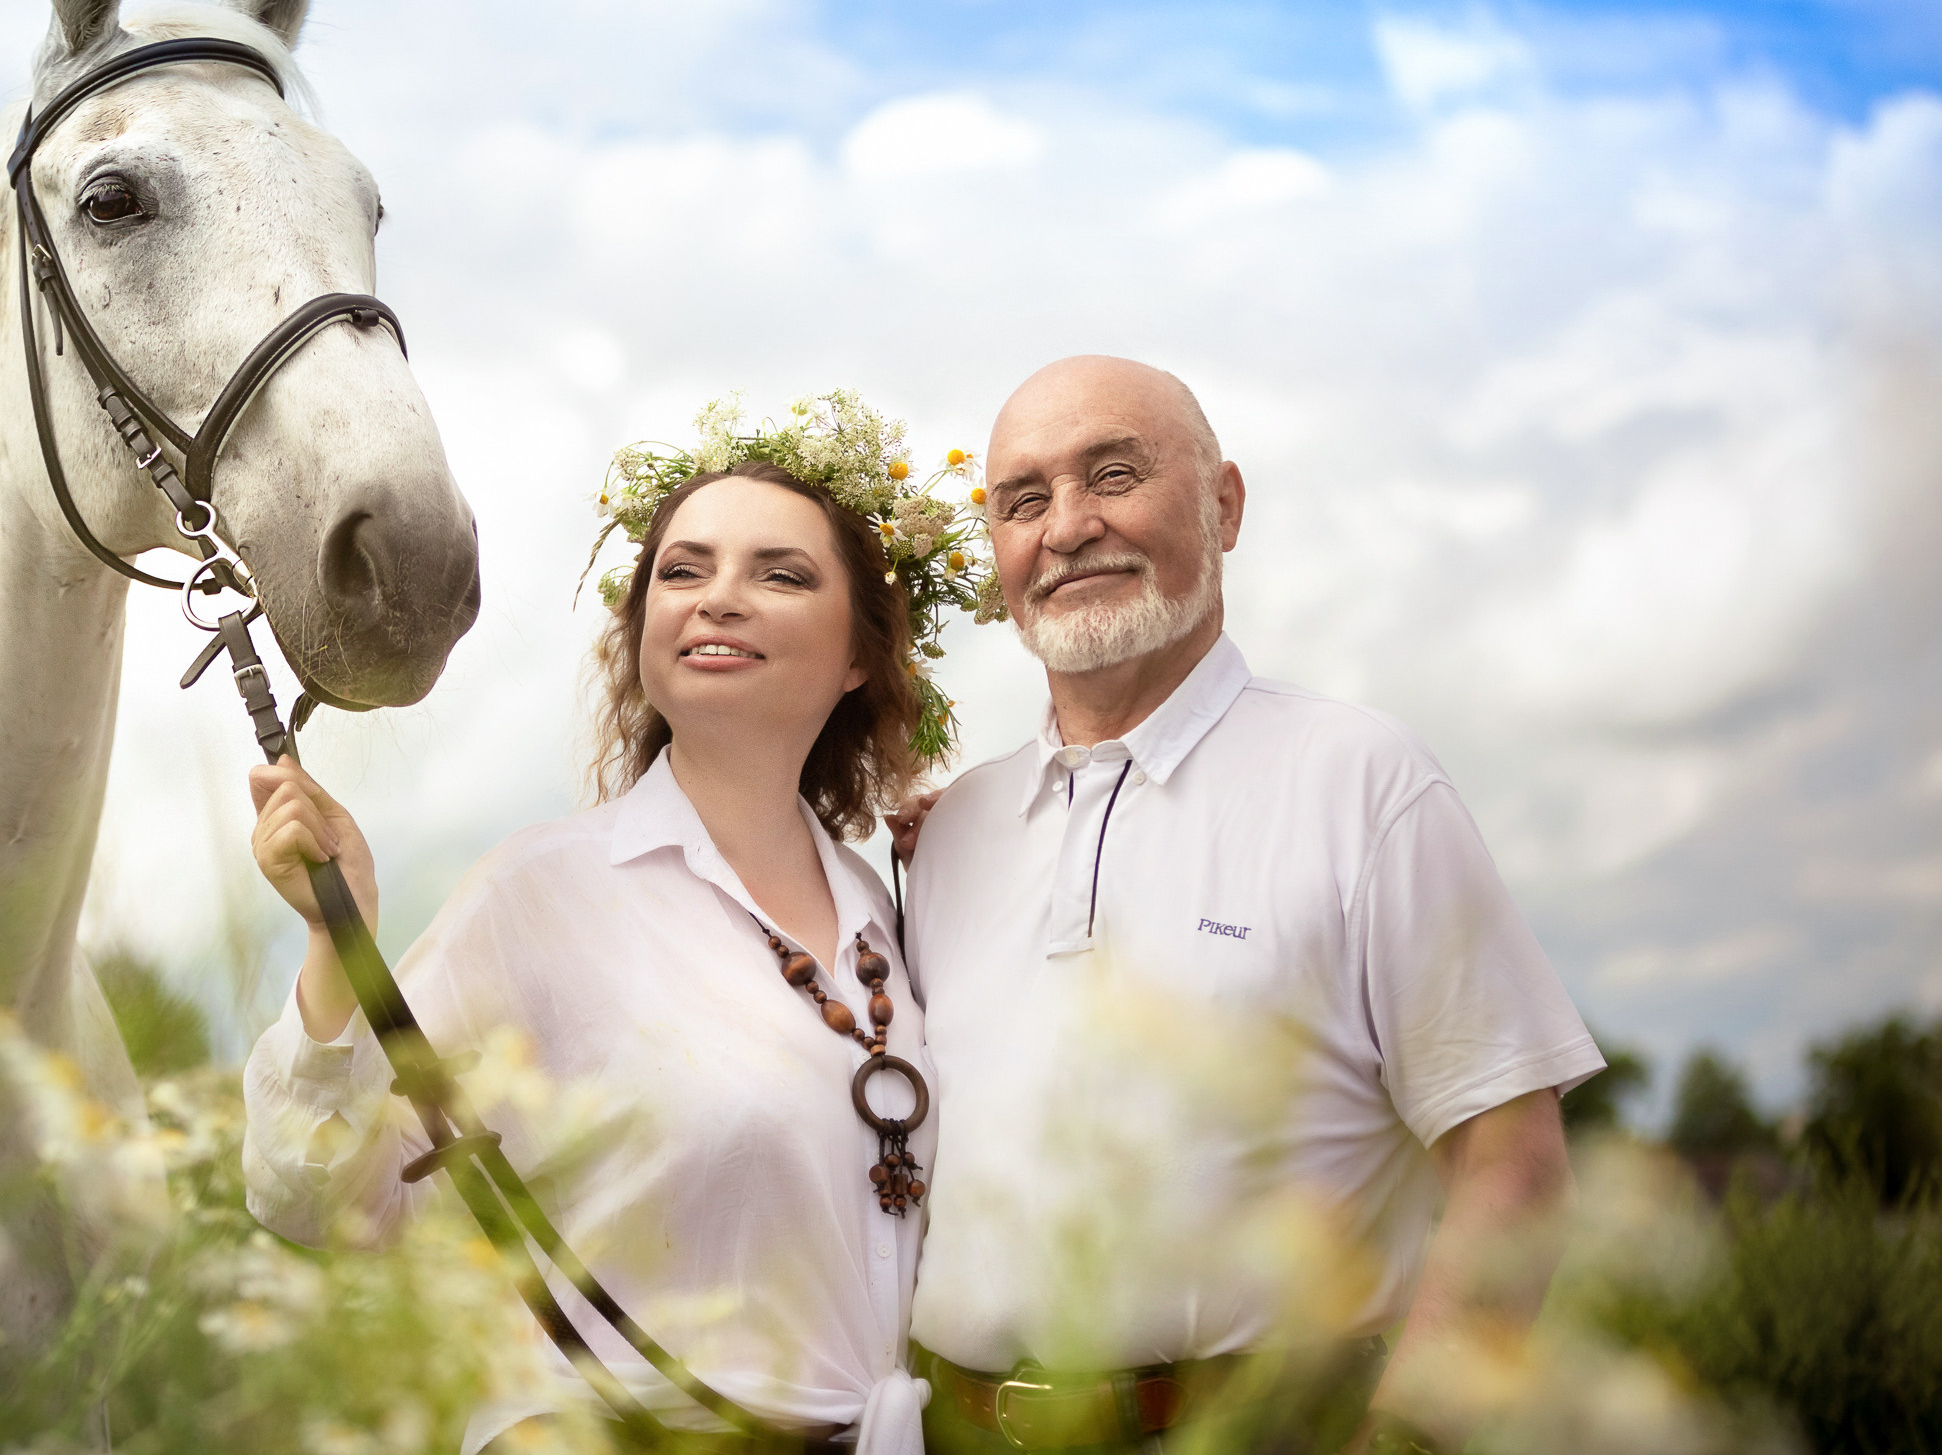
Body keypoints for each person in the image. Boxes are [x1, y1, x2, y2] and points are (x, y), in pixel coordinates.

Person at [892, 356, 1604, 1455]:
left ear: (1223, 504)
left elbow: (1513, 1166)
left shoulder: (1362, 779)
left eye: (1114, 474)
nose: (1070, 525)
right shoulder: (951, 835)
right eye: (1023, 500)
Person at [242, 453, 941, 1455]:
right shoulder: (542, 891)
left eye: (780, 574)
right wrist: (331, 937)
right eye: (683, 572)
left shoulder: (881, 907)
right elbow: (319, 1202)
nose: (720, 601)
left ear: (858, 656)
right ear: (644, 628)